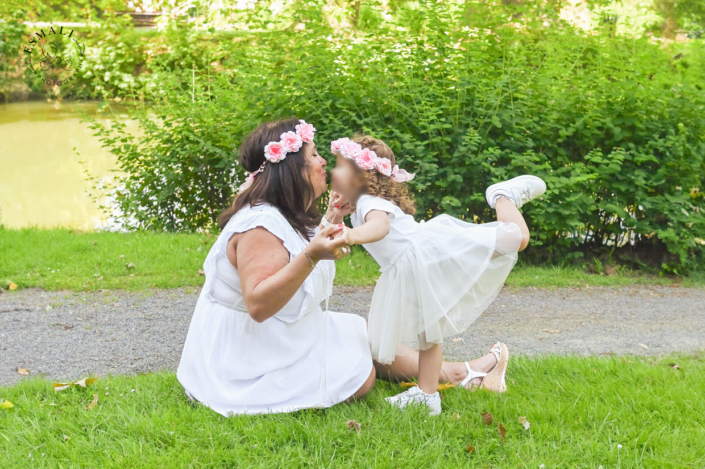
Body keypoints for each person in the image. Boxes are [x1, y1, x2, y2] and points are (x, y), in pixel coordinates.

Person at [329, 135, 546, 416]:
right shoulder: (361, 205)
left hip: (432, 254)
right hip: (414, 267)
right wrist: (340, 216)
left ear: (361, 176)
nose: (332, 172)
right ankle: (427, 394)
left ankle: (503, 196)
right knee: (428, 335)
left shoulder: (370, 203)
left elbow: (379, 228)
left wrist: (351, 234)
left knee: (518, 238)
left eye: (339, 166)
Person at [177, 118, 375, 416]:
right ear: (289, 169)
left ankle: (451, 372)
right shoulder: (260, 226)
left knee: (365, 333)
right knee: (362, 376)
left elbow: (288, 255)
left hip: (274, 337)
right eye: (313, 155)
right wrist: (312, 255)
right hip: (245, 364)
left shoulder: (282, 214)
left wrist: (332, 219)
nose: (323, 162)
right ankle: (452, 374)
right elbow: (258, 304)